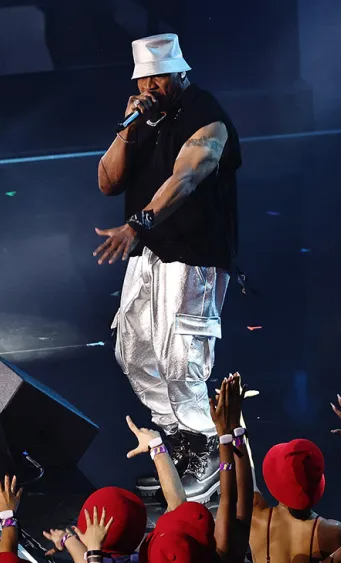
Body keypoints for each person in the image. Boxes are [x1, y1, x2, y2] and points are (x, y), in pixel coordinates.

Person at [94, 33, 241, 501]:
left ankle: (211, 447)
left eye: (159, 77)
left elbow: (187, 177)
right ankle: (180, 441)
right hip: (151, 252)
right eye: (144, 79)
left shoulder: (206, 114)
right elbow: (107, 182)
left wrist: (136, 225)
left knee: (181, 359)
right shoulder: (144, 119)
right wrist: (126, 130)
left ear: (180, 72)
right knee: (135, 351)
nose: (150, 86)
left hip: (195, 253)